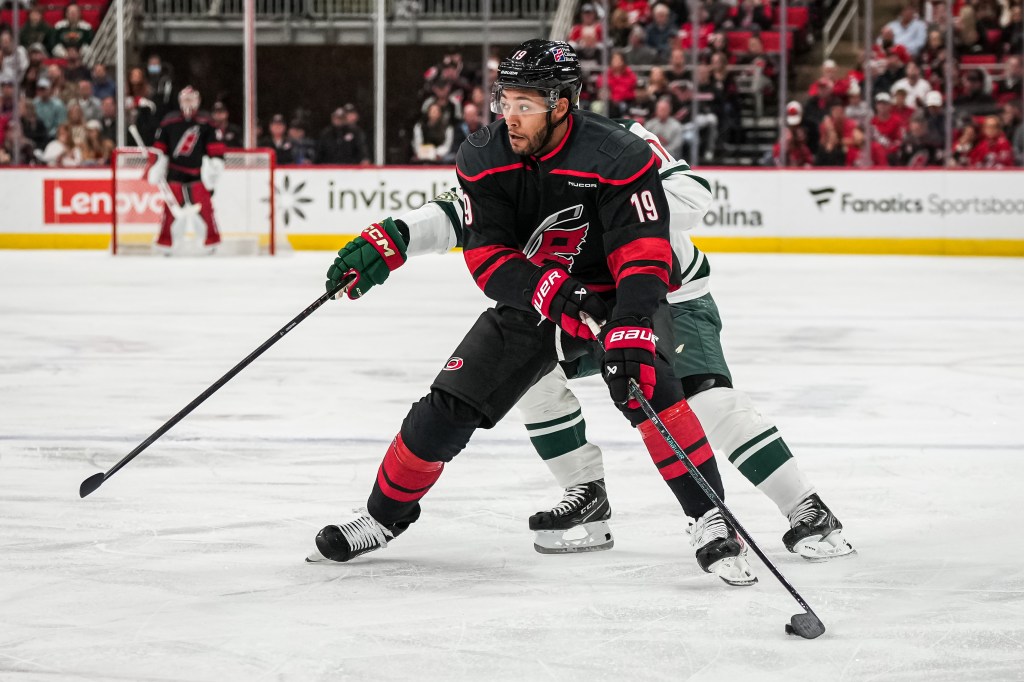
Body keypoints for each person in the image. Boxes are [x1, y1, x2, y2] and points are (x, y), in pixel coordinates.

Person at [315, 46, 855, 564]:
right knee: (530, 384)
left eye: (526, 103)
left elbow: (693, 196)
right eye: (507, 101)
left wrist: (597, 202)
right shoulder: (504, 151)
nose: (511, 115)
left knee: (702, 402)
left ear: (563, 103)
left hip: (661, 293)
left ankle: (805, 507)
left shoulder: (624, 144)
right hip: (559, 298)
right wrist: (399, 236)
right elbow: (470, 217)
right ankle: (585, 494)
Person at [145, 86, 226, 249]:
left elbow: (215, 148)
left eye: (191, 99)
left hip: (198, 174)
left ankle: (212, 239)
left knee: (206, 209)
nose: (188, 103)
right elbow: (160, 148)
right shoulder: (169, 120)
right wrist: (156, 164)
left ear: (198, 101)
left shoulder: (206, 121)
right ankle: (165, 241)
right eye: (185, 99)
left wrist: (215, 164)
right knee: (169, 211)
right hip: (174, 173)